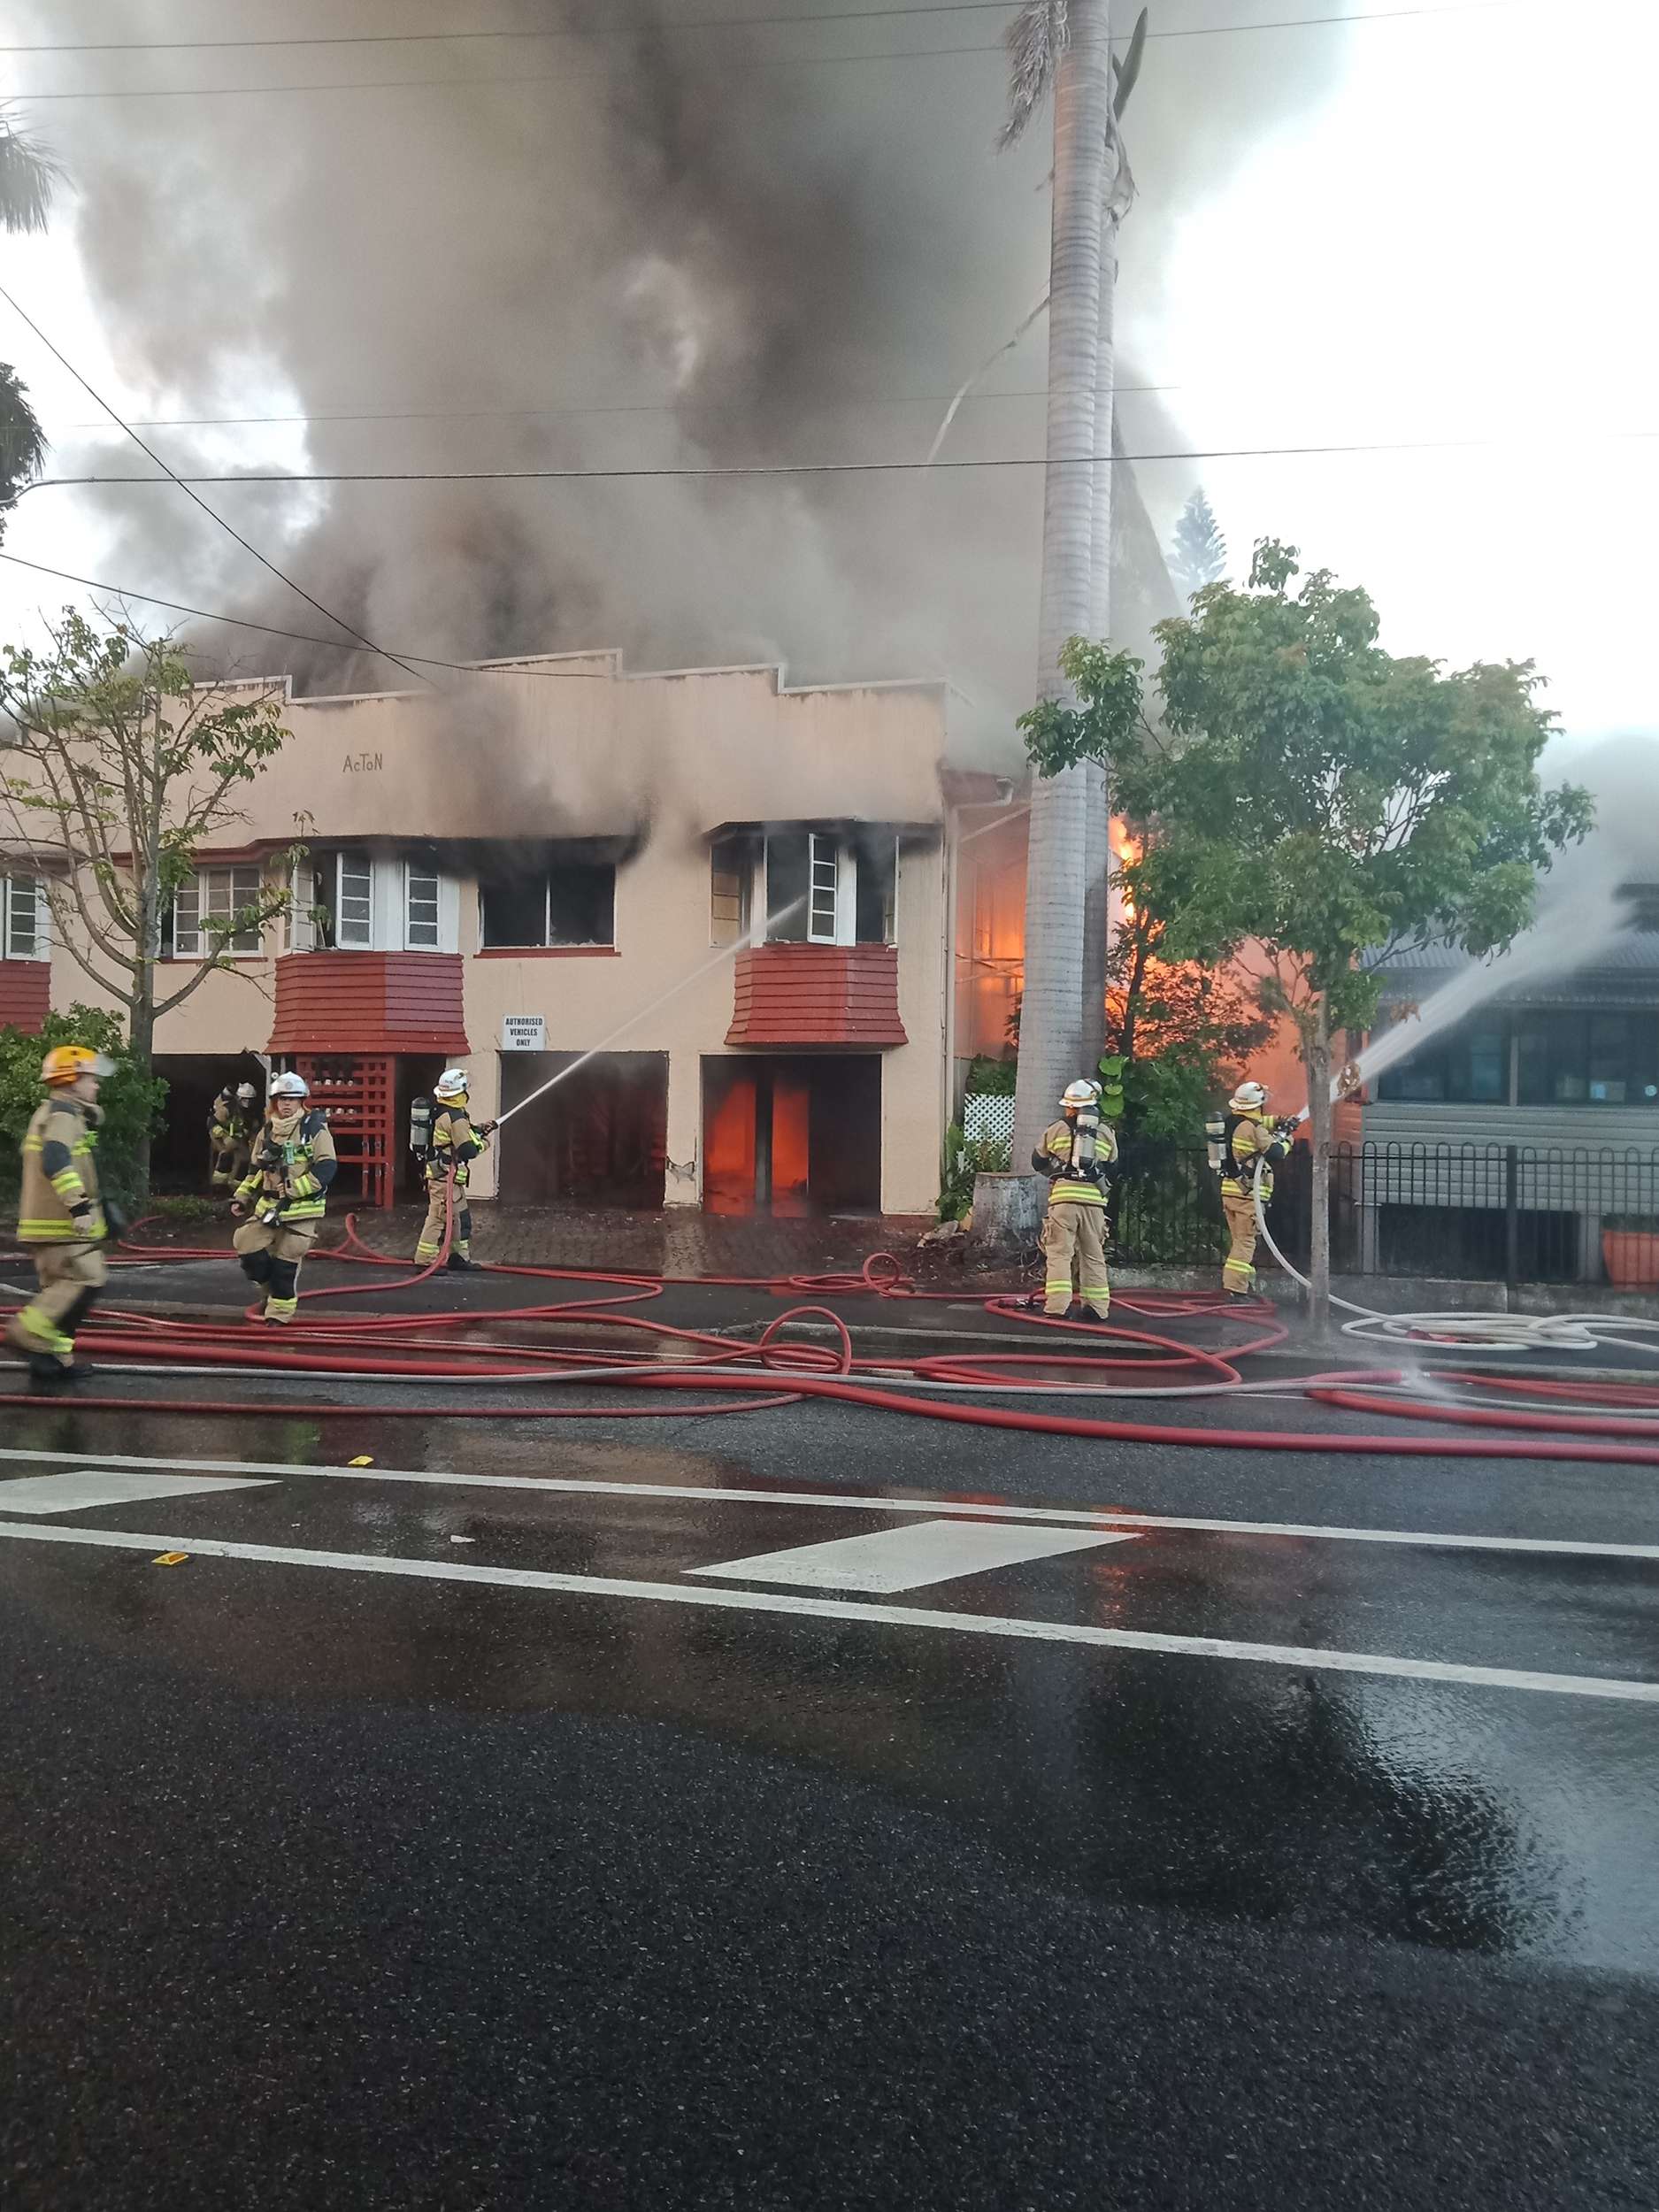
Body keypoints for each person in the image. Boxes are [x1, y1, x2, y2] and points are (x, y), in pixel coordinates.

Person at [4, 1045, 114, 1386]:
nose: (96, 1085)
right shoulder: (62, 1114)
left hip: (57, 1224)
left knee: (67, 1289)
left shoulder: (65, 1114)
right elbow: (55, 1159)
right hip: (61, 1224)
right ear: (71, 1081)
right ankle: (26, 1334)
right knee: (84, 1281)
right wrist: (79, 1206)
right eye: (90, 1079)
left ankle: (54, 1360)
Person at [230, 1071, 337, 1324]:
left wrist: (294, 1188)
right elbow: (255, 1170)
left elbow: (327, 1167)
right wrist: (242, 1196)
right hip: (269, 1207)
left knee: (285, 1265)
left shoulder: (313, 1129)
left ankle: (278, 1316)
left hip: (302, 1209)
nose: (286, 1104)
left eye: (292, 1099)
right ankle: (269, 1292)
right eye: (282, 1099)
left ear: (302, 1101)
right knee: (246, 1244)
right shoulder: (268, 1130)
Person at [1031, 1078, 1117, 1320]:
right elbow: (1113, 1168)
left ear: (1069, 1106)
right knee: (1093, 1255)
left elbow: (1037, 1161)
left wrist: (1057, 1174)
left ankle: (1058, 1307)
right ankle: (1096, 1308)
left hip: (1063, 1203)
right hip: (1094, 1203)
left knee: (1059, 1254)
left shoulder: (1056, 1129)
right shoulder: (1105, 1132)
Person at [1212, 1079, 1294, 1300]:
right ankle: (1236, 1290)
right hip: (1247, 1195)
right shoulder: (1254, 1128)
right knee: (1246, 1242)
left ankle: (1243, 1285)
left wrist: (1279, 1121)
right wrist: (1288, 1139)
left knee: (1239, 1241)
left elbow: (1258, 1123)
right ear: (1257, 1105)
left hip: (1230, 1191)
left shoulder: (1231, 1122)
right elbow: (1276, 1152)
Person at [414, 1068, 494, 1271]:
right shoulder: (455, 1117)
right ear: (461, 1092)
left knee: (460, 1218)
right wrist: (484, 1143)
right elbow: (467, 1150)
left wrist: (479, 1129)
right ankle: (425, 1260)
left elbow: (458, 1134)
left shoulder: (443, 1111)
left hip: (449, 1179)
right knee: (438, 1218)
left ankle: (458, 1257)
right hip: (444, 1179)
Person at [207, 1078, 260, 1191]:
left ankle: (236, 1187)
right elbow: (212, 1123)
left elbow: (254, 1133)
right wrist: (224, 1136)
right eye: (244, 1099)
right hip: (222, 1138)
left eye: (250, 1099)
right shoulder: (228, 1108)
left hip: (239, 1141)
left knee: (246, 1159)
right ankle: (218, 1186)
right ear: (239, 1098)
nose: (247, 1102)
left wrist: (254, 1149)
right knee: (226, 1155)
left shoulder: (252, 1115)